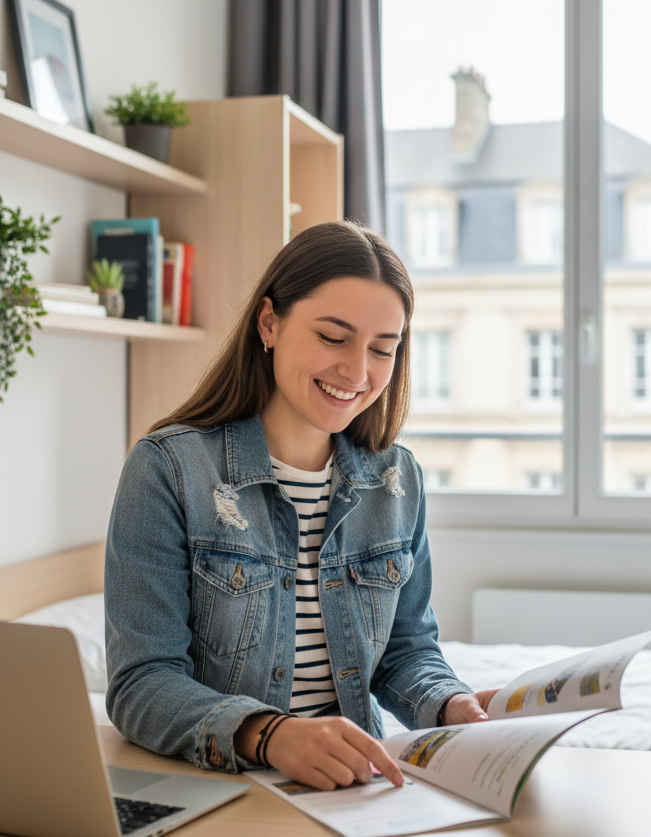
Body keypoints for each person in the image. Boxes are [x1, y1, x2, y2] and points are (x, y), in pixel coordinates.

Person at [105, 220, 495, 792]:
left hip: (357, 789)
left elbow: (405, 650)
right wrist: (270, 735)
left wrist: (449, 702)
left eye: (382, 349)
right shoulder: (168, 470)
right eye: (333, 338)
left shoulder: (397, 480)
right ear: (269, 323)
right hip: (226, 789)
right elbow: (141, 683)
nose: (357, 372)